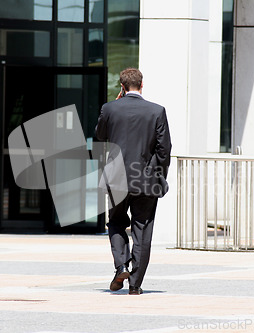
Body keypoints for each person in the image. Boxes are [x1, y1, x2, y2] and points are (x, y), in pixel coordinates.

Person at [95, 68, 172, 295]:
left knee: (116, 222)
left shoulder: (110, 108)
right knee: (142, 229)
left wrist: (112, 109)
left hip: (117, 178)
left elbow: (100, 135)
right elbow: (164, 149)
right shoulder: (157, 111)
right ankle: (135, 284)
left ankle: (121, 266)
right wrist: (157, 174)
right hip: (146, 180)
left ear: (122, 86)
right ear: (142, 85)